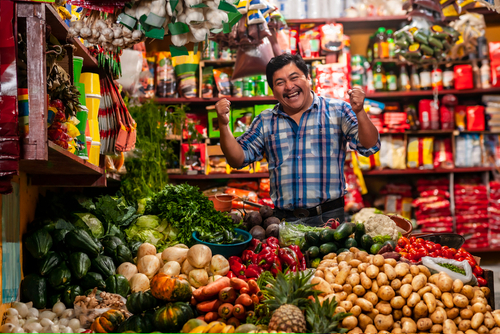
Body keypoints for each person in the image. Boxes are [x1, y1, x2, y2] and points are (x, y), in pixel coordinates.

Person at [215, 54, 380, 226]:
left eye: (294, 78)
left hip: (330, 218)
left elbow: (370, 146)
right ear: (273, 90)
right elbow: (237, 159)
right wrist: (223, 124)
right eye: (280, 83)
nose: (289, 87)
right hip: (284, 221)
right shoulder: (265, 121)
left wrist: (360, 111)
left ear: (308, 78)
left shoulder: (337, 110)